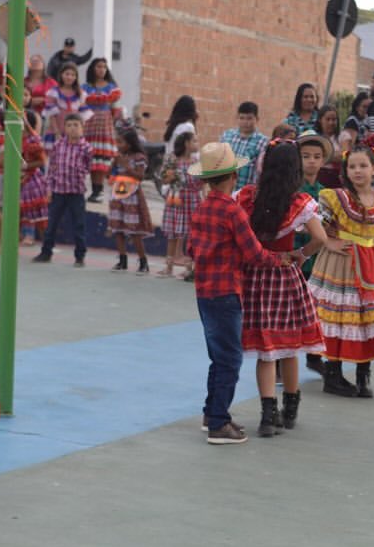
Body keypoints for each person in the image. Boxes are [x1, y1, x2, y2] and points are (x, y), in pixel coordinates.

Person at [187, 142, 288, 445]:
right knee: (230, 358)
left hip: (204, 292)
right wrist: (280, 260)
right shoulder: (233, 211)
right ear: (233, 176)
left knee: (218, 356)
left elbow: (189, 248)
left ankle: (211, 413)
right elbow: (255, 253)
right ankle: (219, 422)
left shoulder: (202, 208)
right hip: (227, 292)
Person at [235, 141, 328, 435]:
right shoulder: (298, 203)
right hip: (284, 278)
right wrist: (301, 255)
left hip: (254, 276)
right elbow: (321, 239)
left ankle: (267, 414)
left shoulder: (249, 197)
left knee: (265, 350)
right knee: (289, 348)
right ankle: (290, 407)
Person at [307, 146, 374, 398]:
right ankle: (333, 373)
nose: (358, 171)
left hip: (369, 265)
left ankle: (364, 373)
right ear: (345, 170)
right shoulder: (336, 198)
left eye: (363, 166)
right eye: (352, 166)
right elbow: (313, 222)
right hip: (339, 263)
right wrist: (330, 242)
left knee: (367, 316)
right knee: (338, 316)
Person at [34, 114, 92, 266]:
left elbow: (89, 167)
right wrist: (49, 188)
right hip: (58, 190)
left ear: (82, 127)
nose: (72, 128)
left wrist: (81, 176)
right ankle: (46, 252)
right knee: (51, 223)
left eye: (76, 125)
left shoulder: (86, 148)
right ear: (64, 128)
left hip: (76, 192)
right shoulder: (58, 145)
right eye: (69, 125)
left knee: (79, 224)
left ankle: (80, 256)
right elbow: (52, 168)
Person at [296, 131, 331, 373]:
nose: (311, 161)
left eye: (316, 156)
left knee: (316, 309)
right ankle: (279, 360)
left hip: (317, 259)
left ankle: (314, 355)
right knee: (290, 309)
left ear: (323, 161)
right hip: (295, 255)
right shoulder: (291, 189)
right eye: (306, 156)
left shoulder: (326, 193)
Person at [108, 126, 153, 275]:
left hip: (132, 197)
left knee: (134, 231)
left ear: (130, 142)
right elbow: (109, 174)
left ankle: (143, 262)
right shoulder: (119, 156)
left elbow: (140, 177)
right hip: (118, 195)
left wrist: (127, 166)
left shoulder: (139, 158)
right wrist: (114, 164)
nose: (118, 145)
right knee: (118, 229)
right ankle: (122, 260)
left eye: (121, 142)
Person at [157, 131, 202, 278]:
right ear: (186, 144)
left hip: (191, 200)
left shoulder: (196, 162)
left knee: (191, 235)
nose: (197, 144)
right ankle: (169, 267)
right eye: (194, 141)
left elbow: (200, 184)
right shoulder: (172, 159)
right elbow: (163, 178)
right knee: (172, 234)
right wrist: (170, 177)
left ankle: (189, 268)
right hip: (175, 200)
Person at [82, 57, 123, 201]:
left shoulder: (112, 87)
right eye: (98, 66)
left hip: (104, 124)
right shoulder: (86, 87)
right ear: (93, 68)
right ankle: (94, 189)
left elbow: (115, 105)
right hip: (89, 124)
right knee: (92, 158)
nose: (101, 69)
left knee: (101, 158)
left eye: (104, 67)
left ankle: (98, 190)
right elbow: (82, 101)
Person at [220, 101, 268, 188]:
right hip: (226, 191)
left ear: (257, 119)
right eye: (242, 118)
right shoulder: (227, 136)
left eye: (249, 118)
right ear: (237, 118)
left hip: (247, 194)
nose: (245, 122)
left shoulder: (263, 142)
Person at [42, 62, 90, 151]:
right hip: (57, 131)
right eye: (67, 74)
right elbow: (52, 115)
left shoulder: (80, 94)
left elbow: (83, 117)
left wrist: (79, 133)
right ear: (61, 75)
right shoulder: (53, 92)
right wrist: (56, 132)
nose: (69, 77)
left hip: (74, 133)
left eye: (73, 75)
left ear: (76, 77)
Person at [19, 111, 49, 246]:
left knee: (32, 208)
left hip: (31, 178)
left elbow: (42, 161)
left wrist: (25, 166)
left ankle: (34, 237)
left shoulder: (33, 140)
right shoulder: (13, 138)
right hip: (18, 177)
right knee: (19, 207)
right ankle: (20, 234)